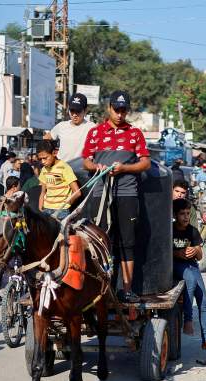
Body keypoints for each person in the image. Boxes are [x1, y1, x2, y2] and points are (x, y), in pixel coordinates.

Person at [82, 90, 151, 304]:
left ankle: (127, 289)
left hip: (127, 193)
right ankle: (103, 289)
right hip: (101, 193)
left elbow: (145, 162)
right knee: (101, 242)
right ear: (109, 108)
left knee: (127, 243)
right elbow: (86, 161)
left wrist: (124, 168)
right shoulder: (95, 132)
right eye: (116, 109)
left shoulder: (135, 133)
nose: (120, 114)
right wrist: (96, 166)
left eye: (124, 110)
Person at [172, 198, 206, 353]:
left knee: (203, 300)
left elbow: (199, 257)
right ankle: (187, 320)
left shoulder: (192, 230)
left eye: (188, 213)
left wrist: (195, 250)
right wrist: (178, 253)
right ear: (175, 215)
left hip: (191, 265)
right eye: (182, 214)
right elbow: (164, 253)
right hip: (176, 265)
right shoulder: (170, 230)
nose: (186, 217)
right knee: (191, 279)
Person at [36, 139, 81, 220]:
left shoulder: (64, 167)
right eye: (40, 159)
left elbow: (77, 192)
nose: (42, 162)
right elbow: (43, 192)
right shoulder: (44, 169)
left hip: (61, 212)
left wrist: (66, 204)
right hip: (46, 209)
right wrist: (40, 208)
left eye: (45, 158)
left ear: (54, 153)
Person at [46, 93, 97, 163]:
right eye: (72, 110)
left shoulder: (92, 128)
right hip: (62, 167)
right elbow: (46, 138)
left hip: (81, 168)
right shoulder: (61, 126)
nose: (74, 115)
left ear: (85, 111)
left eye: (78, 111)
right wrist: (51, 154)